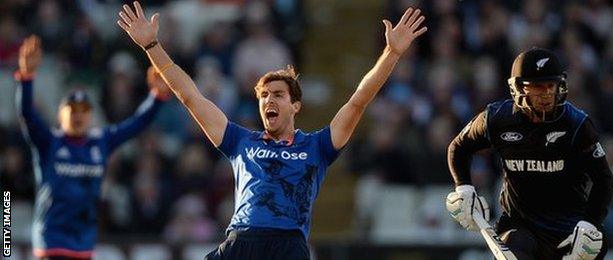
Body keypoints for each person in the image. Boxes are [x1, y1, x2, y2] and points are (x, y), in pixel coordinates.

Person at [116, 2, 427, 259]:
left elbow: (358, 102)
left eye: (278, 94)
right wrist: (151, 46)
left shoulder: (317, 146)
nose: (268, 100)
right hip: (242, 240)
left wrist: (392, 54)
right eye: (263, 95)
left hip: (288, 245)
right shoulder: (240, 141)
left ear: (295, 106)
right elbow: (190, 97)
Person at [445, 48, 613, 259]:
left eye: (550, 86)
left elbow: (604, 181)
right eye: (537, 87)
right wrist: (464, 188)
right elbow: (459, 147)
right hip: (520, 227)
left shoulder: (577, 124)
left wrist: (590, 223)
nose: (546, 95)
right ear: (518, 88)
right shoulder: (497, 118)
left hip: (569, 230)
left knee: (597, 245)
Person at [15, 35, 170, 260]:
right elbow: (27, 115)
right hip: (52, 239)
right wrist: (26, 78)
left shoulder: (101, 141)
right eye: (72, 110)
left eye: (83, 111)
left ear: (90, 114)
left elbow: (136, 124)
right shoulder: (49, 142)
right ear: (61, 115)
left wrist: (156, 97)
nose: (77, 116)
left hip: (84, 241)